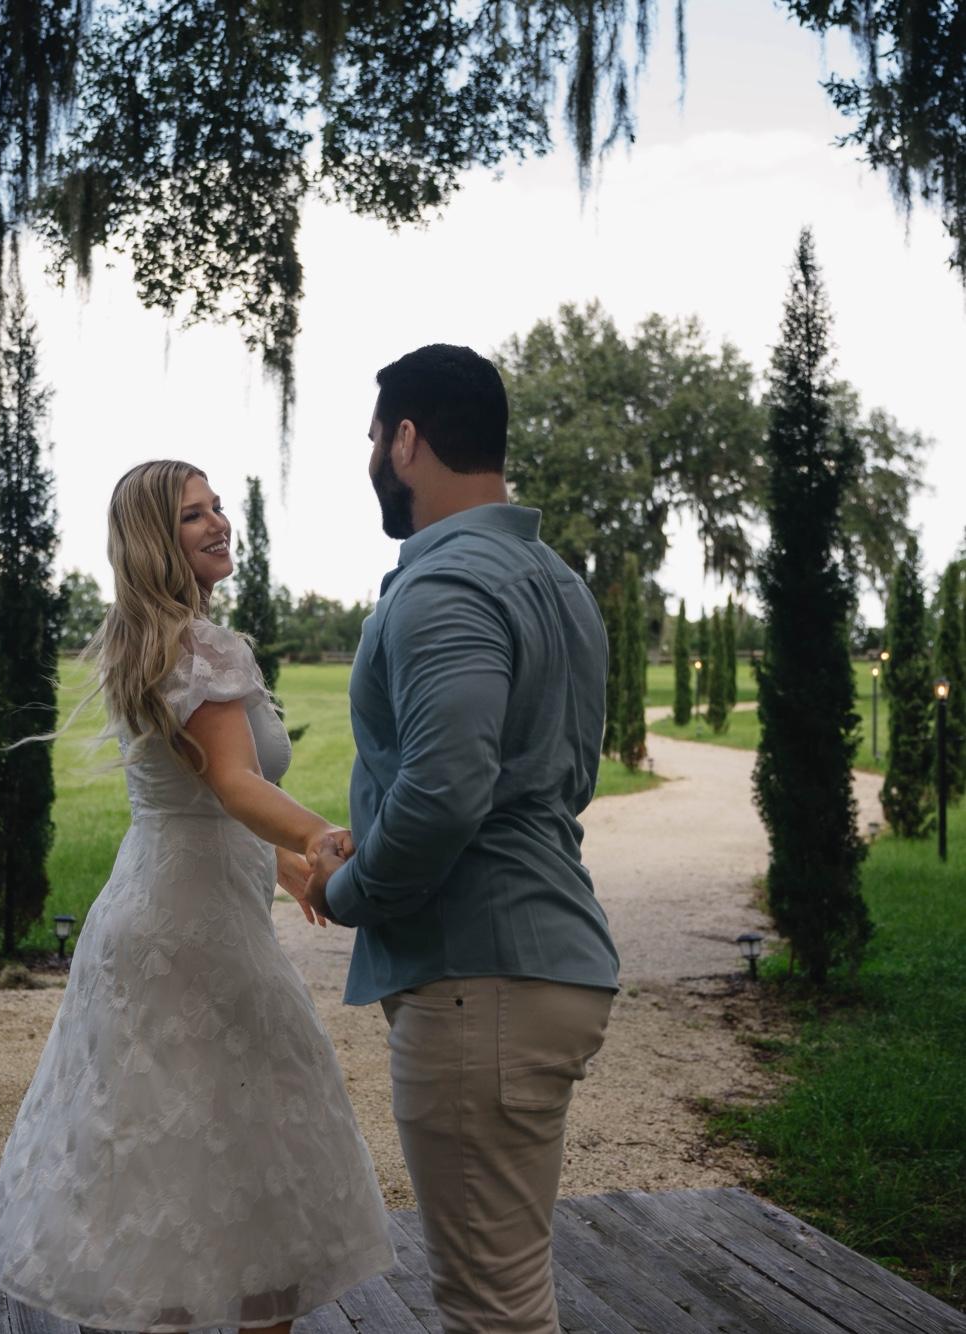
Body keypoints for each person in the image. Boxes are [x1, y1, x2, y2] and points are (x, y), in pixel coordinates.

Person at [0, 460, 395, 1333]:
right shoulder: (204, 646)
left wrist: (286, 866)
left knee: (167, 1166)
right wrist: (320, 836)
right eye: (191, 516)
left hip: (150, 914)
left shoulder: (145, 640)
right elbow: (236, 785)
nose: (217, 524)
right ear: (153, 542)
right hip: (196, 934)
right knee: (253, 1157)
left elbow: (198, 795)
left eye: (216, 508)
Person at [301, 343, 622, 1334]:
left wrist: (345, 890)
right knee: (509, 1296)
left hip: (479, 981)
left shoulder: (446, 586)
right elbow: (547, 776)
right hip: (535, 969)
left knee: (489, 1309)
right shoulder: (557, 583)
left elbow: (446, 792)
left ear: (406, 440)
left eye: (373, 438)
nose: (371, 460)